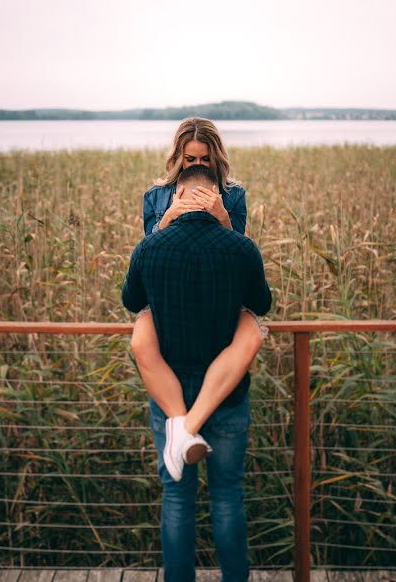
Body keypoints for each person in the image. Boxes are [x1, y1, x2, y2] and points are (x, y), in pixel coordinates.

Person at [122, 164, 272, 582]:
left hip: (170, 391)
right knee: (227, 497)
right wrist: (231, 228)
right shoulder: (241, 249)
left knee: (177, 497)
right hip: (228, 396)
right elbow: (261, 303)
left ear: (176, 197)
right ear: (217, 199)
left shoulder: (150, 248)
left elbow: (132, 301)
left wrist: (160, 228)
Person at [133, 117, 267, 478]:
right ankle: (187, 430)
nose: (196, 166)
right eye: (189, 159)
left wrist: (222, 215)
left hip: (216, 301)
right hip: (169, 303)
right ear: (178, 156)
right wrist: (168, 219)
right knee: (141, 336)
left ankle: (181, 429)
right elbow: (147, 256)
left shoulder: (233, 194)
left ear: (215, 158)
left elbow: (236, 254)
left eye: (203, 159)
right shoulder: (156, 196)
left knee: (251, 331)